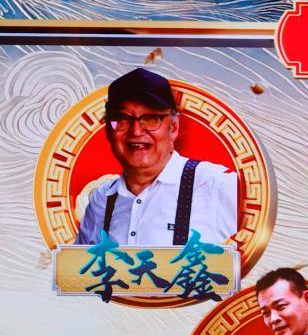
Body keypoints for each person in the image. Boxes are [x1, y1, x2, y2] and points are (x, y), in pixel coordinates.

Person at [75, 67, 237, 247]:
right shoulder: (101, 200)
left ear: (173, 127)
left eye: (151, 118)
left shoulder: (216, 185)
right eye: (122, 119)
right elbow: (81, 264)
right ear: (108, 130)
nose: (136, 131)